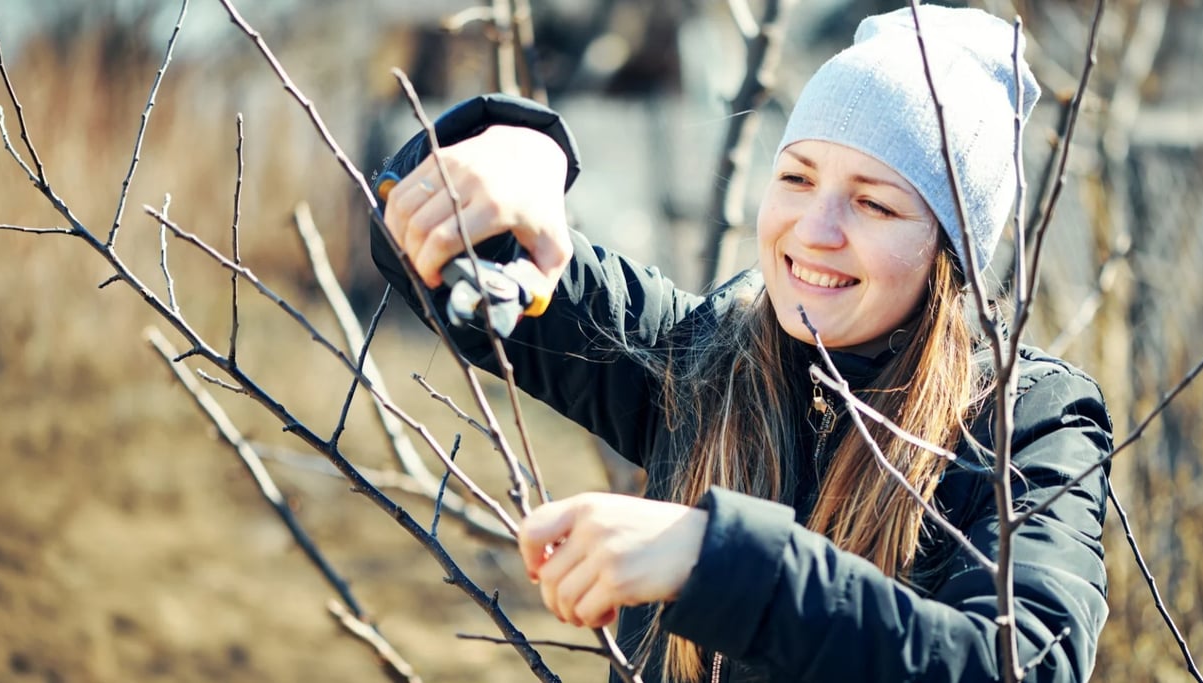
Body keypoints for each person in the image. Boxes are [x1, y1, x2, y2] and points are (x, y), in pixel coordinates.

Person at [370, 6, 1112, 682]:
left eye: (874, 202)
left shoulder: (1030, 423)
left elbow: (1024, 664)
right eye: (796, 177)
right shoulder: (701, 360)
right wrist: (519, 149)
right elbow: (427, 253)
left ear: (951, 257)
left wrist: (718, 559)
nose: (813, 230)